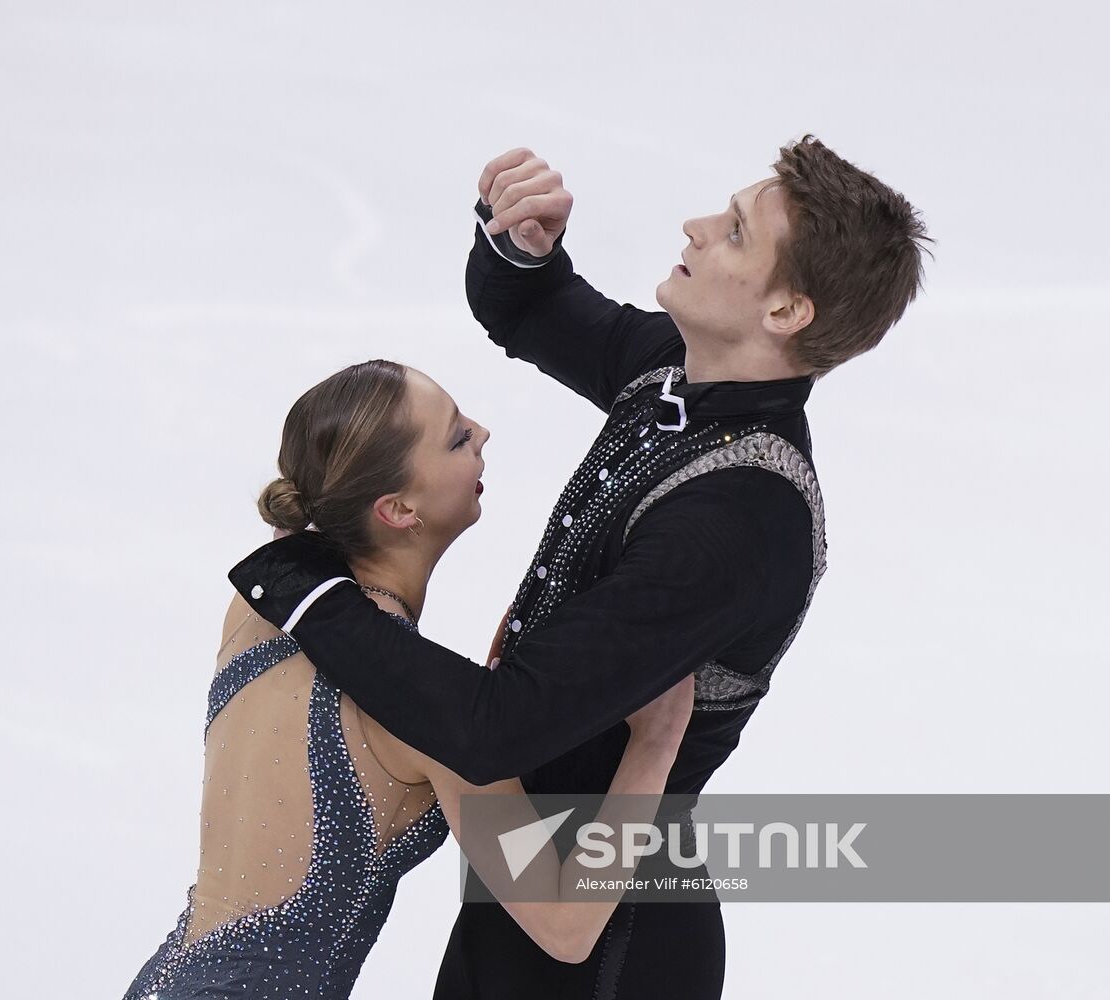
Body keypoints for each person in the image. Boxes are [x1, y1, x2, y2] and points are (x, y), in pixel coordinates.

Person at [228, 136, 932, 999]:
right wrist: (519, 247)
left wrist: (309, 592)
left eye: (737, 233)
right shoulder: (676, 373)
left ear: (787, 311)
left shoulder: (738, 521)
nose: (698, 226)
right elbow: (531, 310)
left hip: (606, 936)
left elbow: (497, 730)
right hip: (526, 884)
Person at [122, 359, 700, 1000]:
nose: (483, 433)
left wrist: (484, 689)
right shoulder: (425, 720)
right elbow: (565, 926)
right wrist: (656, 742)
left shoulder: (259, 609)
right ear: (398, 509)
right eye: (456, 438)